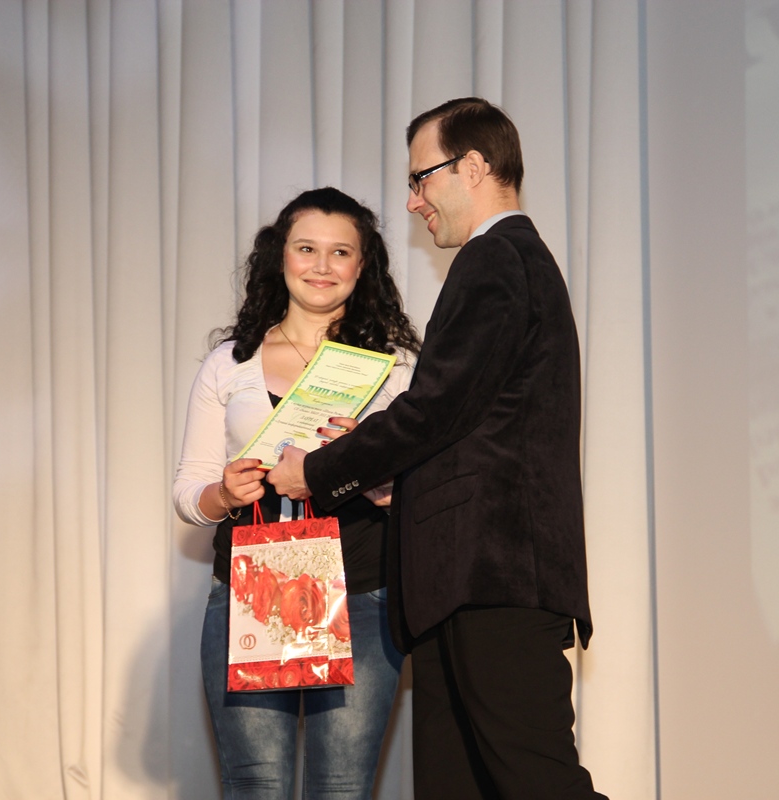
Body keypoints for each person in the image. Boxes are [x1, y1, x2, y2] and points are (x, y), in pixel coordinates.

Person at [268, 98, 604, 799]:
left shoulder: (496, 258)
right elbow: (472, 424)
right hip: (469, 580)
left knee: (538, 784)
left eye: (421, 178)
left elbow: (433, 409)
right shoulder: (510, 261)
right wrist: (395, 482)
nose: (413, 201)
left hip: (495, 578)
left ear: (473, 167)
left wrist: (318, 472)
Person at [173, 187, 421, 799]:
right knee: (255, 785)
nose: (321, 266)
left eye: (341, 252)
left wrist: (377, 477)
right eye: (306, 248)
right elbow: (188, 492)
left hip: (362, 593)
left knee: (343, 788)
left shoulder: (394, 369)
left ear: (362, 265)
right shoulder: (230, 363)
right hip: (249, 591)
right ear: (279, 255)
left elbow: (420, 491)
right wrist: (224, 494)